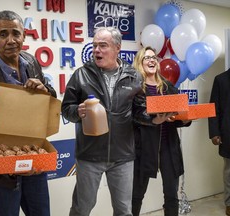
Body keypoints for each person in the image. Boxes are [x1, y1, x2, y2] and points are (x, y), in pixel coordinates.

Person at [0, 10, 56, 216]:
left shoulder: (32, 63)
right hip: (5, 172)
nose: (10, 40)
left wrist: (45, 89)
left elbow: (50, 99)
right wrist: (5, 162)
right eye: (3, 34)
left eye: (16, 33)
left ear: (24, 35)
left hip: (35, 160)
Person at [61, 27, 142, 216]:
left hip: (123, 156)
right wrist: (77, 111)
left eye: (103, 46)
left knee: (124, 210)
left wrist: (155, 118)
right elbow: (66, 109)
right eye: (94, 45)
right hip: (90, 155)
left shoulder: (134, 76)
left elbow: (139, 112)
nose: (96, 50)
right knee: (82, 208)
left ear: (117, 48)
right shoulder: (81, 74)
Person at [131, 46, 191, 216]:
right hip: (144, 148)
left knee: (171, 195)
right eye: (147, 58)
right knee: (136, 195)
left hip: (169, 146)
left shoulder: (168, 87)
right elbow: (134, 115)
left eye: (154, 58)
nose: (152, 60)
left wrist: (184, 120)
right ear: (140, 63)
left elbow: (178, 115)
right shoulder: (135, 88)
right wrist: (154, 119)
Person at [208, 68, 230, 216]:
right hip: (228, 132)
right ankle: (229, 203)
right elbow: (213, 108)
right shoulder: (221, 79)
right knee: (229, 171)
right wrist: (214, 132)